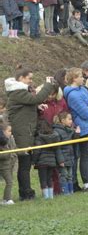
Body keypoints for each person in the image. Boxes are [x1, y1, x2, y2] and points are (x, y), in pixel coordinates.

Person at [5, 66, 55, 200]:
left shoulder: (20, 91)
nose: (31, 81)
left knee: (25, 164)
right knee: (24, 164)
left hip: (25, 131)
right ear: (21, 78)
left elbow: (28, 105)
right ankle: (26, 193)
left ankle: (26, 191)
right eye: (29, 78)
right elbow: (35, 99)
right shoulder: (17, 91)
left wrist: (36, 107)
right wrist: (48, 85)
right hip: (22, 133)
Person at [64, 68, 88, 191]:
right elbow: (86, 113)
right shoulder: (72, 94)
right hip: (83, 128)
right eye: (80, 76)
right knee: (85, 155)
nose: (83, 78)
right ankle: (86, 183)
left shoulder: (83, 90)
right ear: (74, 78)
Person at [32, 120, 65, 199]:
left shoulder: (39, 138)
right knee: (49, 179)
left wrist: (33, 161)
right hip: (52, 162)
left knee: (43, 179)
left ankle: (46, 196)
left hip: (42, 162)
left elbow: (37, 151)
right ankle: (51, 196)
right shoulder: (54, 137)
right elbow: (57, 150)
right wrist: (60, 161)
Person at [53, 111, 77, 195]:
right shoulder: (56, 131)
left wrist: (77, 133)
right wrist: (60, 160)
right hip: (63, 158)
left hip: (70, 156)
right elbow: (57, 148)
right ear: (63, 120)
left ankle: (71, 191)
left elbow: (73, 140)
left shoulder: (69, 130)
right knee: (64, 175)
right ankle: (65, 191)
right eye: (69, 119)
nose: (71, 121)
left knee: (70, 175)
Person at [0, 122, 17, 205]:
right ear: (3, 132)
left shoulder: (11, 139)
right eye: (9, 131)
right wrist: (8, 154)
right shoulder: (1, 142)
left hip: (10, 164)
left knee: (10, 181)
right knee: (9, 182)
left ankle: (5, 199)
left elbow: (14, 149)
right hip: (3, 166)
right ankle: (7, 199)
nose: (10, 133)